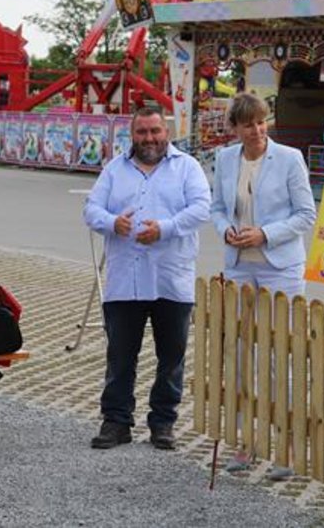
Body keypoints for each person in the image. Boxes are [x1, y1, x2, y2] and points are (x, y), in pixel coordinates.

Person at [84, 107, 210, 451]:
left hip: (171, 277)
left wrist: (165, 229)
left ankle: (163, 422)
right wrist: (113, 223)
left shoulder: (187, 167)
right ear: (132, 134)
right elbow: (91, 210)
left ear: (165, 133)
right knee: (120, 355)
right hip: (126, 279)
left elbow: (202, 207)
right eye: (142, 132)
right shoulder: (114, 169)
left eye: (155, 131)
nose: (149, 138)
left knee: (171, 356)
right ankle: (116, 421)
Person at [210, 92, 316, 476]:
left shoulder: (289, 159)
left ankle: (286, 448)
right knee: (238, 356)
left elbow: (307, 215)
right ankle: (243, 444)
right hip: (239, 267)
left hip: (280, 268)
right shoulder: (224, 159)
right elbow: (217, 207)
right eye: (247, 124)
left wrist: (266, 234)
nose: (256, 130)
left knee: (277, 357)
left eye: (261, 122)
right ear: (234, 128)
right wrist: (226, 232)